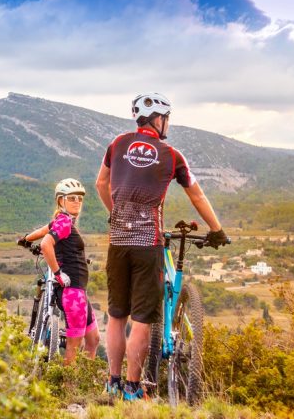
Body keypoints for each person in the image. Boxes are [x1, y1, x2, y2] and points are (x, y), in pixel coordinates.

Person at [95, 93, 228, 401]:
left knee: (117, 315)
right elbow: (196, 195)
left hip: (117, 242)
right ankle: (132, 388)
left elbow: (101, 184)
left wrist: (114, 214)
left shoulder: (117, 144)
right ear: (159, 119)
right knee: (142, 318)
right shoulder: (171, 154)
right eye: (167, 118)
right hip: (148, 244)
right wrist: (217, 230)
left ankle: (112, 382)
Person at [18, 178, 100, 364]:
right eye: (71, 198)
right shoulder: (64, 223)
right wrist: (57, 273)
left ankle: (83, 382)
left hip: (79, 291)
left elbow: (44, 230)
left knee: (94, 340)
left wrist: (26, 239)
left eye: (79, 198)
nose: (77, 201)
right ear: (61, 201)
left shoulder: (62, 221)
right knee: (74, 346)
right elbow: (47, 243)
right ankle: (67, 388)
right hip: (73, 291)